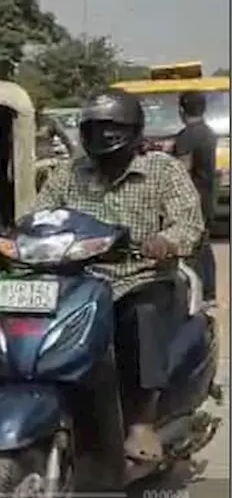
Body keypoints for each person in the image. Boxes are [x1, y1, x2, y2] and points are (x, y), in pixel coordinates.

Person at [31, 89, 204, 465]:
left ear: (132, 130)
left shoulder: (162, 169)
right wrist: (9, 239)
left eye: (112, 128)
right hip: (78, 281)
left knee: (141, 315)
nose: (103, 136)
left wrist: (166, 240)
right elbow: (40, 216)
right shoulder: (69, 173)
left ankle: (141, 421)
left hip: (139, 278)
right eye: (94, 128)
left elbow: (189, 223)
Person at [170, 91, 219, 304]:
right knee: (203, 246)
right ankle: (209, 293)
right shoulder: (207, 132)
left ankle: (197, 295)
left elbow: (183, 169)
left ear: (181, 110)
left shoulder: (187, 136)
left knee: (191, 250)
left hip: (193, 200)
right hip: (208, 196)